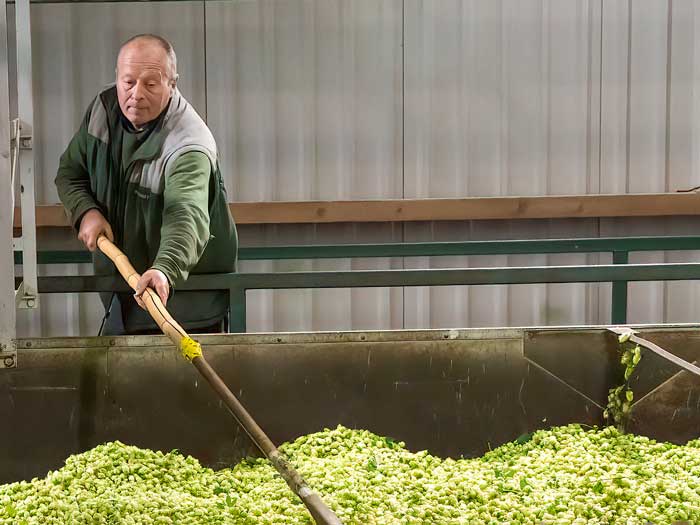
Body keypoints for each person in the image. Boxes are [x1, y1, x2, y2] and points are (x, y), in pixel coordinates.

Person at [55, 34, 238, 335]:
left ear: (172, 84)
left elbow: (186, 217)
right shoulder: (103, 112)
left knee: (182, 382)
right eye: (128, 82)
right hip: (122, 300)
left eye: (151, 84)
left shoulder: (188, 144)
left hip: (187, 309)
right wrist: (85, 210)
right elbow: (71, 173)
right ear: (117, 78)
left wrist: (164, 269)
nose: (136, 94)